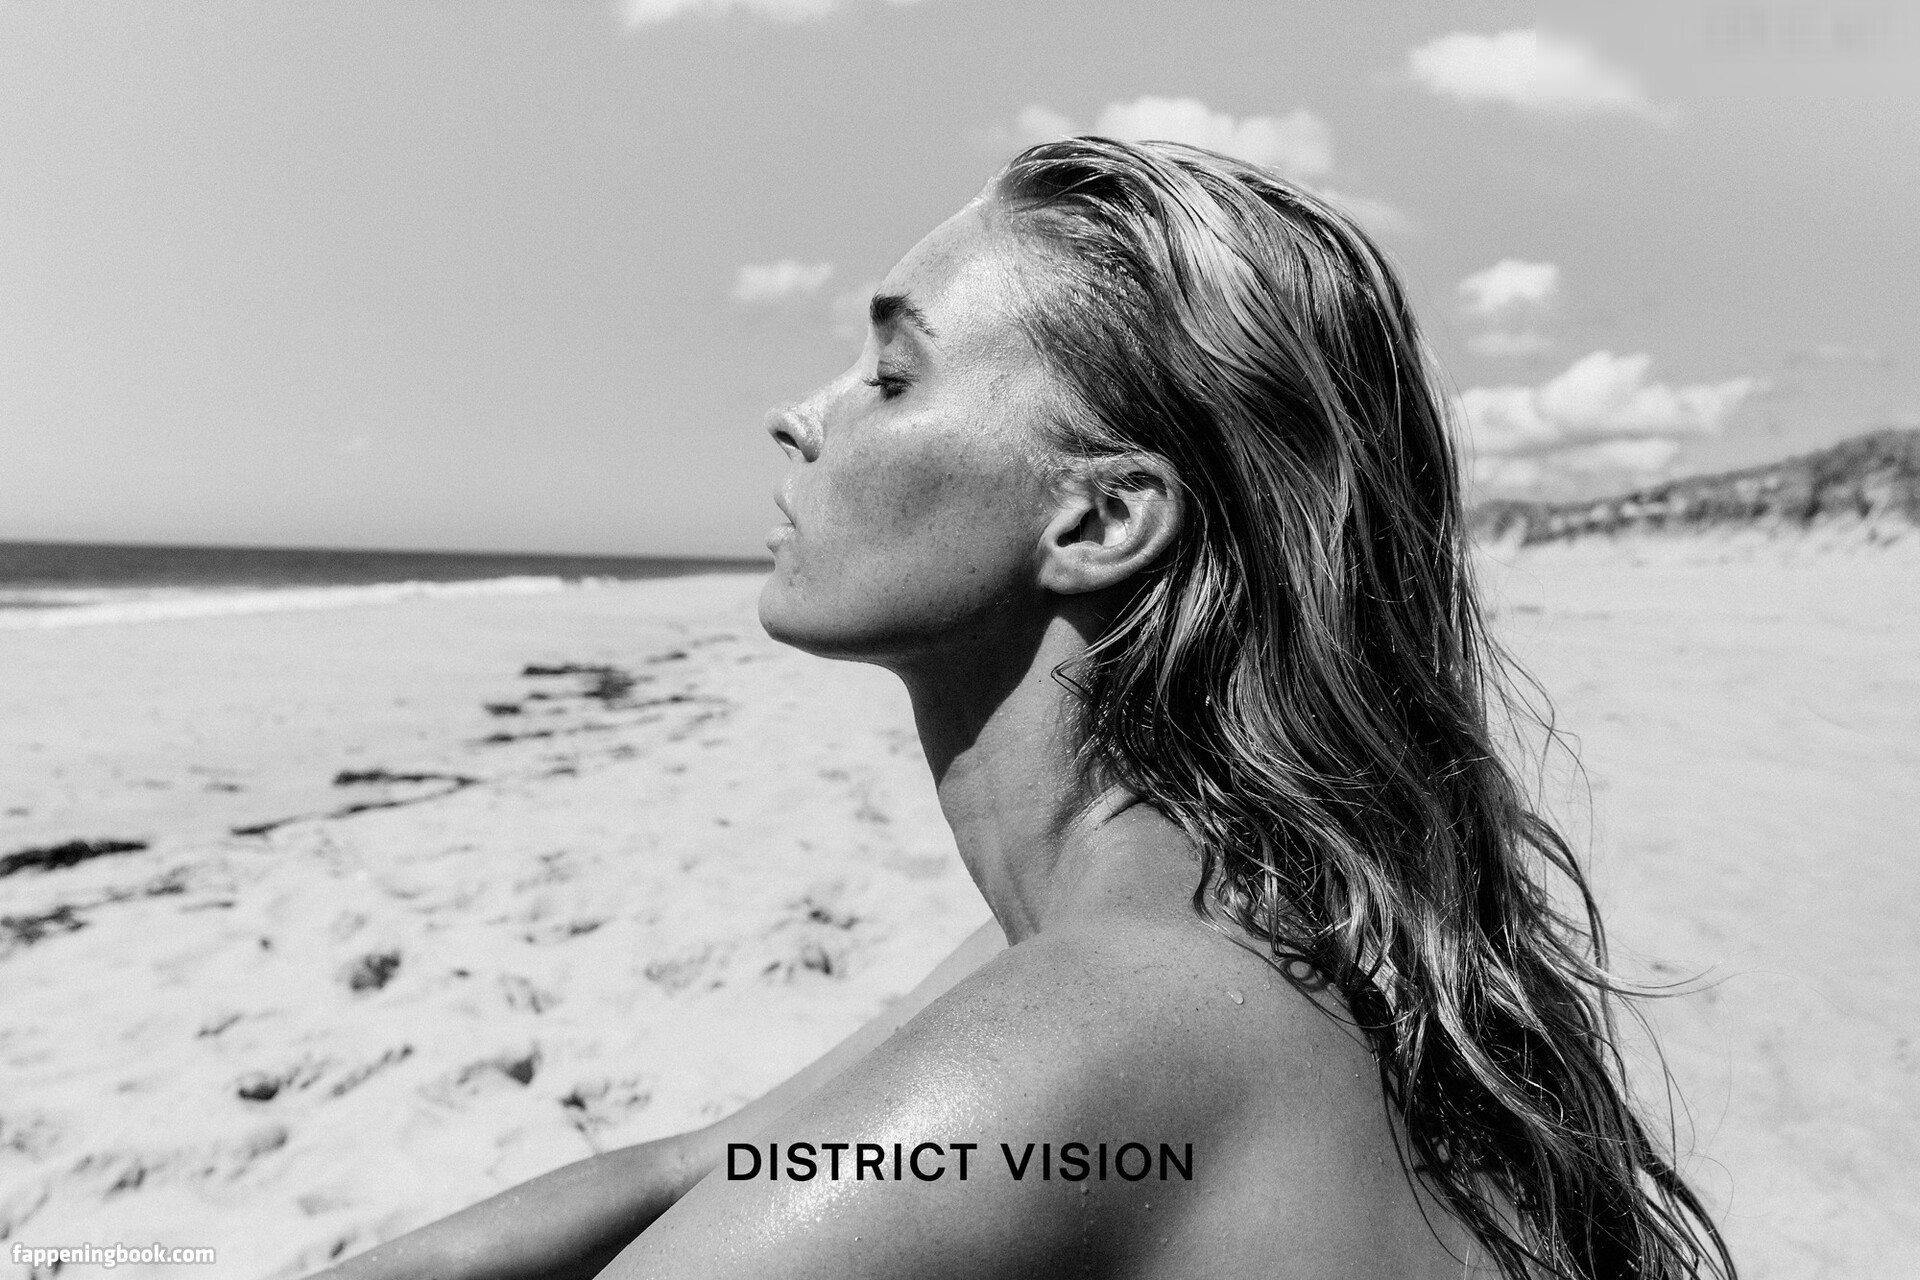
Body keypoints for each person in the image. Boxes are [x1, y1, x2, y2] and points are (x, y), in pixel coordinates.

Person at [319, 137, 1735, 1280]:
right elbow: (706, 1168)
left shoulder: (1103, 1015)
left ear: (1102, 518)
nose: (803, 414)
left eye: (892, 375)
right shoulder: (1196, 925)